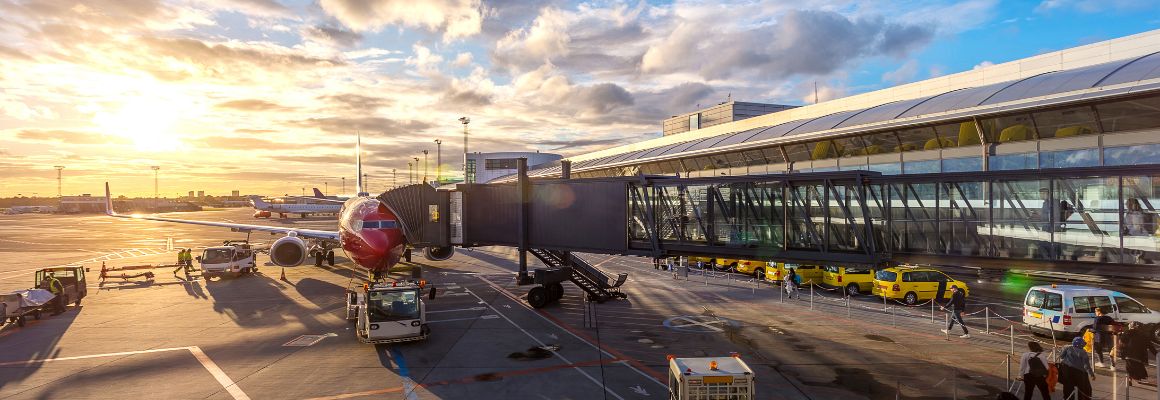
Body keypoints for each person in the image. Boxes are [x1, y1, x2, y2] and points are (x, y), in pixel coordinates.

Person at [1122, 321, 1156, 385]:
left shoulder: (1127, 333)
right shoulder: (1145, 336)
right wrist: (1157, 354)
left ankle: (1130, 379)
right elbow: (1151, 348)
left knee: (1129, 368)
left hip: (1128, 355)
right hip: (1140, 358)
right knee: (1138, 370)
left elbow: (1122, 342)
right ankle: (1136, 379)